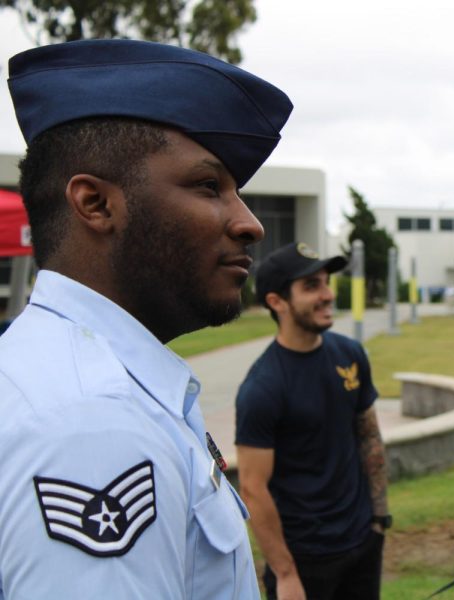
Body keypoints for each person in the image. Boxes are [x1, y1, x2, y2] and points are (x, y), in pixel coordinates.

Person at [0, 39, 292, 598]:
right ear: (95, 204)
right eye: (209, 186)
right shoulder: (90, 422)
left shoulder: (57, 374)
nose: (250, 222)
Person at [235, 242, 389, 600]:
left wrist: (380, 520)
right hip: (305, 559)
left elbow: (369, 436)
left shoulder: (350, 354)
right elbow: (253, 489)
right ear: (277, 302)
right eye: (311, 286)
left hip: (362, 543)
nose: (326, 295)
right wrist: (285, 573)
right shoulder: (262, 387)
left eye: (325, 282)